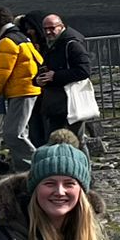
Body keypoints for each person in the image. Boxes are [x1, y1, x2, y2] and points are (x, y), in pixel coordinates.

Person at [0, 6, 43, 172]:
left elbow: (2, 73)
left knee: (13, 134)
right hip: (27, 89)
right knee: (21, 133)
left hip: (21, 91)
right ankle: (25, 171)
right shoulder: (20, 37)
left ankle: (38, 167)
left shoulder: (6, 41)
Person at [34, 14, 100, 152]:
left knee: (76, 140)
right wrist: (37, 80)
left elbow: (84, 70)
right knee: (55, 140)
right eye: (45, 28)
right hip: (56, 102)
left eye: (52, 28)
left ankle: (83, 171)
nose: (47, 32)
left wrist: (56, 76)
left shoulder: (72, 44)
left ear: (61, 26)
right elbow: (45, 68)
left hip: (71, 101)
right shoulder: (51, 44)